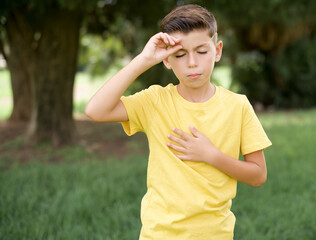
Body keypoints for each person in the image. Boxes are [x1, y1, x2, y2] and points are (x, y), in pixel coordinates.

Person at [86, 4, 272, 240]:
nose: (192, 63)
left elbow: (258, 175)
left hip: (215, 234)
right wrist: (143, 60)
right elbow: (95, 110)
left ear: (217, 51)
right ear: (166, 60)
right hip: (159, 234)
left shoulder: (238, 106)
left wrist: (211, 155)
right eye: (180, 55)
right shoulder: (154, 101)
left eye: (202, 52)